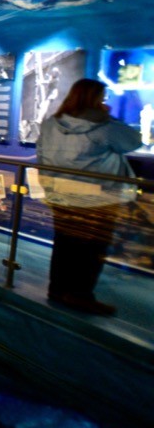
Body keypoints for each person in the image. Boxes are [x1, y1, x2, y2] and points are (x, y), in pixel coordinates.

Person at [37, 78, 141, 316]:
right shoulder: (105, 126)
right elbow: (134, 141)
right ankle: (80, 296)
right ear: (96, 99)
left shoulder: (51, 124)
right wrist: (110, 116)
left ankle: (57, 289)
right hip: (98, 198)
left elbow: (41, 155)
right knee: (92, 248)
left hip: (60, 194)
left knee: (64, 243)